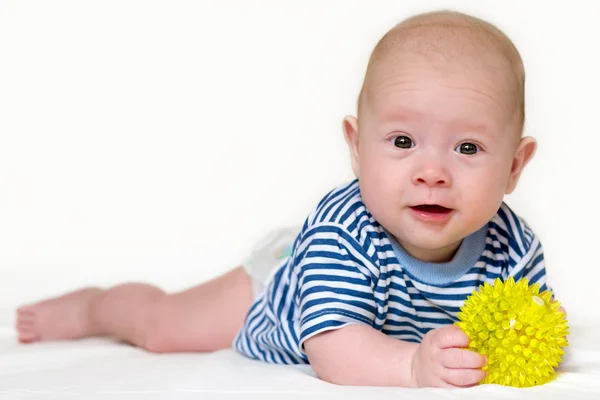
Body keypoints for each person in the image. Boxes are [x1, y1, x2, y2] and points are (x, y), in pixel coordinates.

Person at [15, 9, 565, 388]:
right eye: (402, 141)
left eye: (468, 147)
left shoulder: (513, 247)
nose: (431, 173)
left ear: (515, 165)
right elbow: (333, 347)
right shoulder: (345, 231)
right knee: (162, 329)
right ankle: (94, 305)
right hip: (280, 288)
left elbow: (531, 330)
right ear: (356, 146)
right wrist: (413, 369)